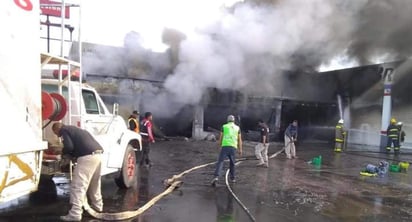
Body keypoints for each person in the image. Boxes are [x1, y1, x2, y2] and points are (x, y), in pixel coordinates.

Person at [51, 123, 103, 222]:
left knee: (78, 186)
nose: (57, 136)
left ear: (57, 129)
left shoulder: (64, 130)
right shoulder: (76, 130)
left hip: (87, 157)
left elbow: (69, 147)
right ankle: (98, 206)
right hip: (98, 154)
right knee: (94, 183)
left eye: (55, 133)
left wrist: (63, 154)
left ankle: (75, 214)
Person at [211, 115, 243, 186]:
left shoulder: (224, 126)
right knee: (232, 163)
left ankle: (216, 177)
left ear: (227, 120)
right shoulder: (237, 128)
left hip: (225, 146)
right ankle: (233, 178)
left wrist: (219, 146)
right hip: (233, 147)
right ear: (234, 120)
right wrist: (240, 149)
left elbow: (221, 137)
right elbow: (240, 140)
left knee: (220, 162)